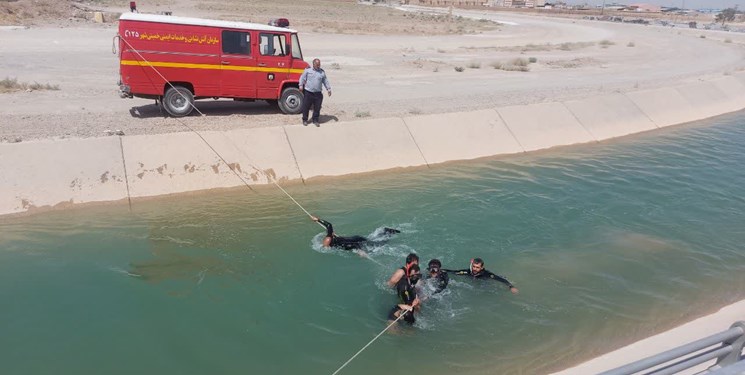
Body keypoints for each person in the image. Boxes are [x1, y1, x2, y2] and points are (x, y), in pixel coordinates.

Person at [310, 215, 400, 251]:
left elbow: (353, 245)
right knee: (372, 239)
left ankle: (389, 232)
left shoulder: (338, 244)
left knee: (378, 244)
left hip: (358, 241)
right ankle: (385, 231)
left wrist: (360, 251)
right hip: (356, 237)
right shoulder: (331, 237)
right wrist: (317, 219)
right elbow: (328, 225)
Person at [444, 258, 519, 294]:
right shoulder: (468, 272)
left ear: (482, 267)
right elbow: (453, 272)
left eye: (477, 267)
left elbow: (501, 279)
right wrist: (439, 270)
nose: (475, 269)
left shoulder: (487, 274)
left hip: (486, 282)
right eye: (474, 266)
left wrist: (511, 287)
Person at [298, 58, 332, 127]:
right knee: (306, 107)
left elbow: (325, 81)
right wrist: (300, 85)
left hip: (318, 93)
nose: (318, 66)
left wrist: (328, 89)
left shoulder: (322, 72)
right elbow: (302, 78)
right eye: (317, 64)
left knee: (317, 108)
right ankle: (305, 120)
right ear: (313, 64)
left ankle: (315, 120)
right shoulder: (307, 70)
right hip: (308, 92)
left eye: (319, 64)